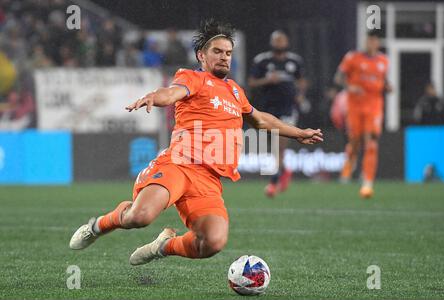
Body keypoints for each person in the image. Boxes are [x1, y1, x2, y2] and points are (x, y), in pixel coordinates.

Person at [69, 19, 323, 265]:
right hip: (179, 166)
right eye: (218, 51)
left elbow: (260, 120)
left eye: (228, 52)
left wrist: (298, 132)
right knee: (140, 216)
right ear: (202, 55)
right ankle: (97, 226)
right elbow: (172, 93)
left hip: (209, 181)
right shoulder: (193, 78)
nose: (225, 56)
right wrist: (154, 97)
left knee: (212, 242)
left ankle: (163, 246)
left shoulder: (235, 91)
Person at [334, 30, 391, 198]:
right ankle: (348, 169)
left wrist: (388, 87)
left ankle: (367, 180)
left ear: (378, 43)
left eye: (374, 40)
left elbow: (384, 81)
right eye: (368, 40)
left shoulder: (384, 61)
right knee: (355, 141)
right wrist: (349, 87)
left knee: (371, 141)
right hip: (354, 107)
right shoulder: (353, 57)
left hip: (374, 107)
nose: (371, 43)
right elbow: (338, 78)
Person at [248, 30, 305, 197]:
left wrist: (300, 94)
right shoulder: (262, 61)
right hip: (268, 110)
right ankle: (285, 170)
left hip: (287, 109)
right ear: (272, 43)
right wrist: (267, 80)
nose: (280, 43)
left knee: (279, 144)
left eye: (282, 40)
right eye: (277, 40)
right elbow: (251, 82)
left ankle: (273, 183)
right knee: (272, 147)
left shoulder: (295, 61)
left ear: (286, 42)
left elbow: (302, 81)